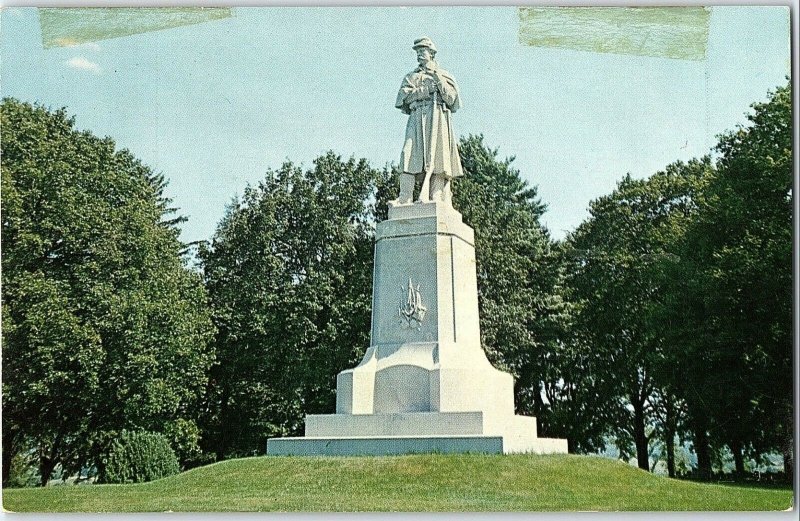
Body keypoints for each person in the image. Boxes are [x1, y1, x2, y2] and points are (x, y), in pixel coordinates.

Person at [393, 37, 464, 205]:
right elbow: (403, 99)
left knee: (439, 156)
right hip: (417, 116)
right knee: (408, 154)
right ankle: (405, 196)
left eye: (422, 51)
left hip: (438, 116)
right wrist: (424, 91)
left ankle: (436, 194)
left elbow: (452, 99)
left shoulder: (444, 75)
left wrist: (437, 79)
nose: (419, 55)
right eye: (417, 52)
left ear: (431, 53)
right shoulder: (411, 77)